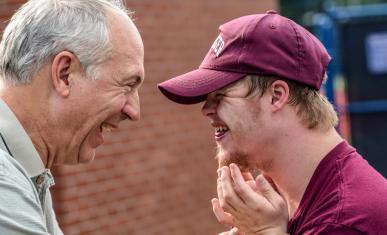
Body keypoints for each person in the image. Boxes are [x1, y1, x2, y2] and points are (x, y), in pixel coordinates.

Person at [158, 10, 387, 235]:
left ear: (276, 95)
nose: (206, 110)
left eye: (220, 96)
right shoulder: (289, 199)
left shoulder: (343, 222)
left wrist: (265, 231)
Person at [0, 0, 144, 234]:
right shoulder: (4, 178)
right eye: (127, 85)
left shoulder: (28, 171)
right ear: (64, 74)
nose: (134, 111)